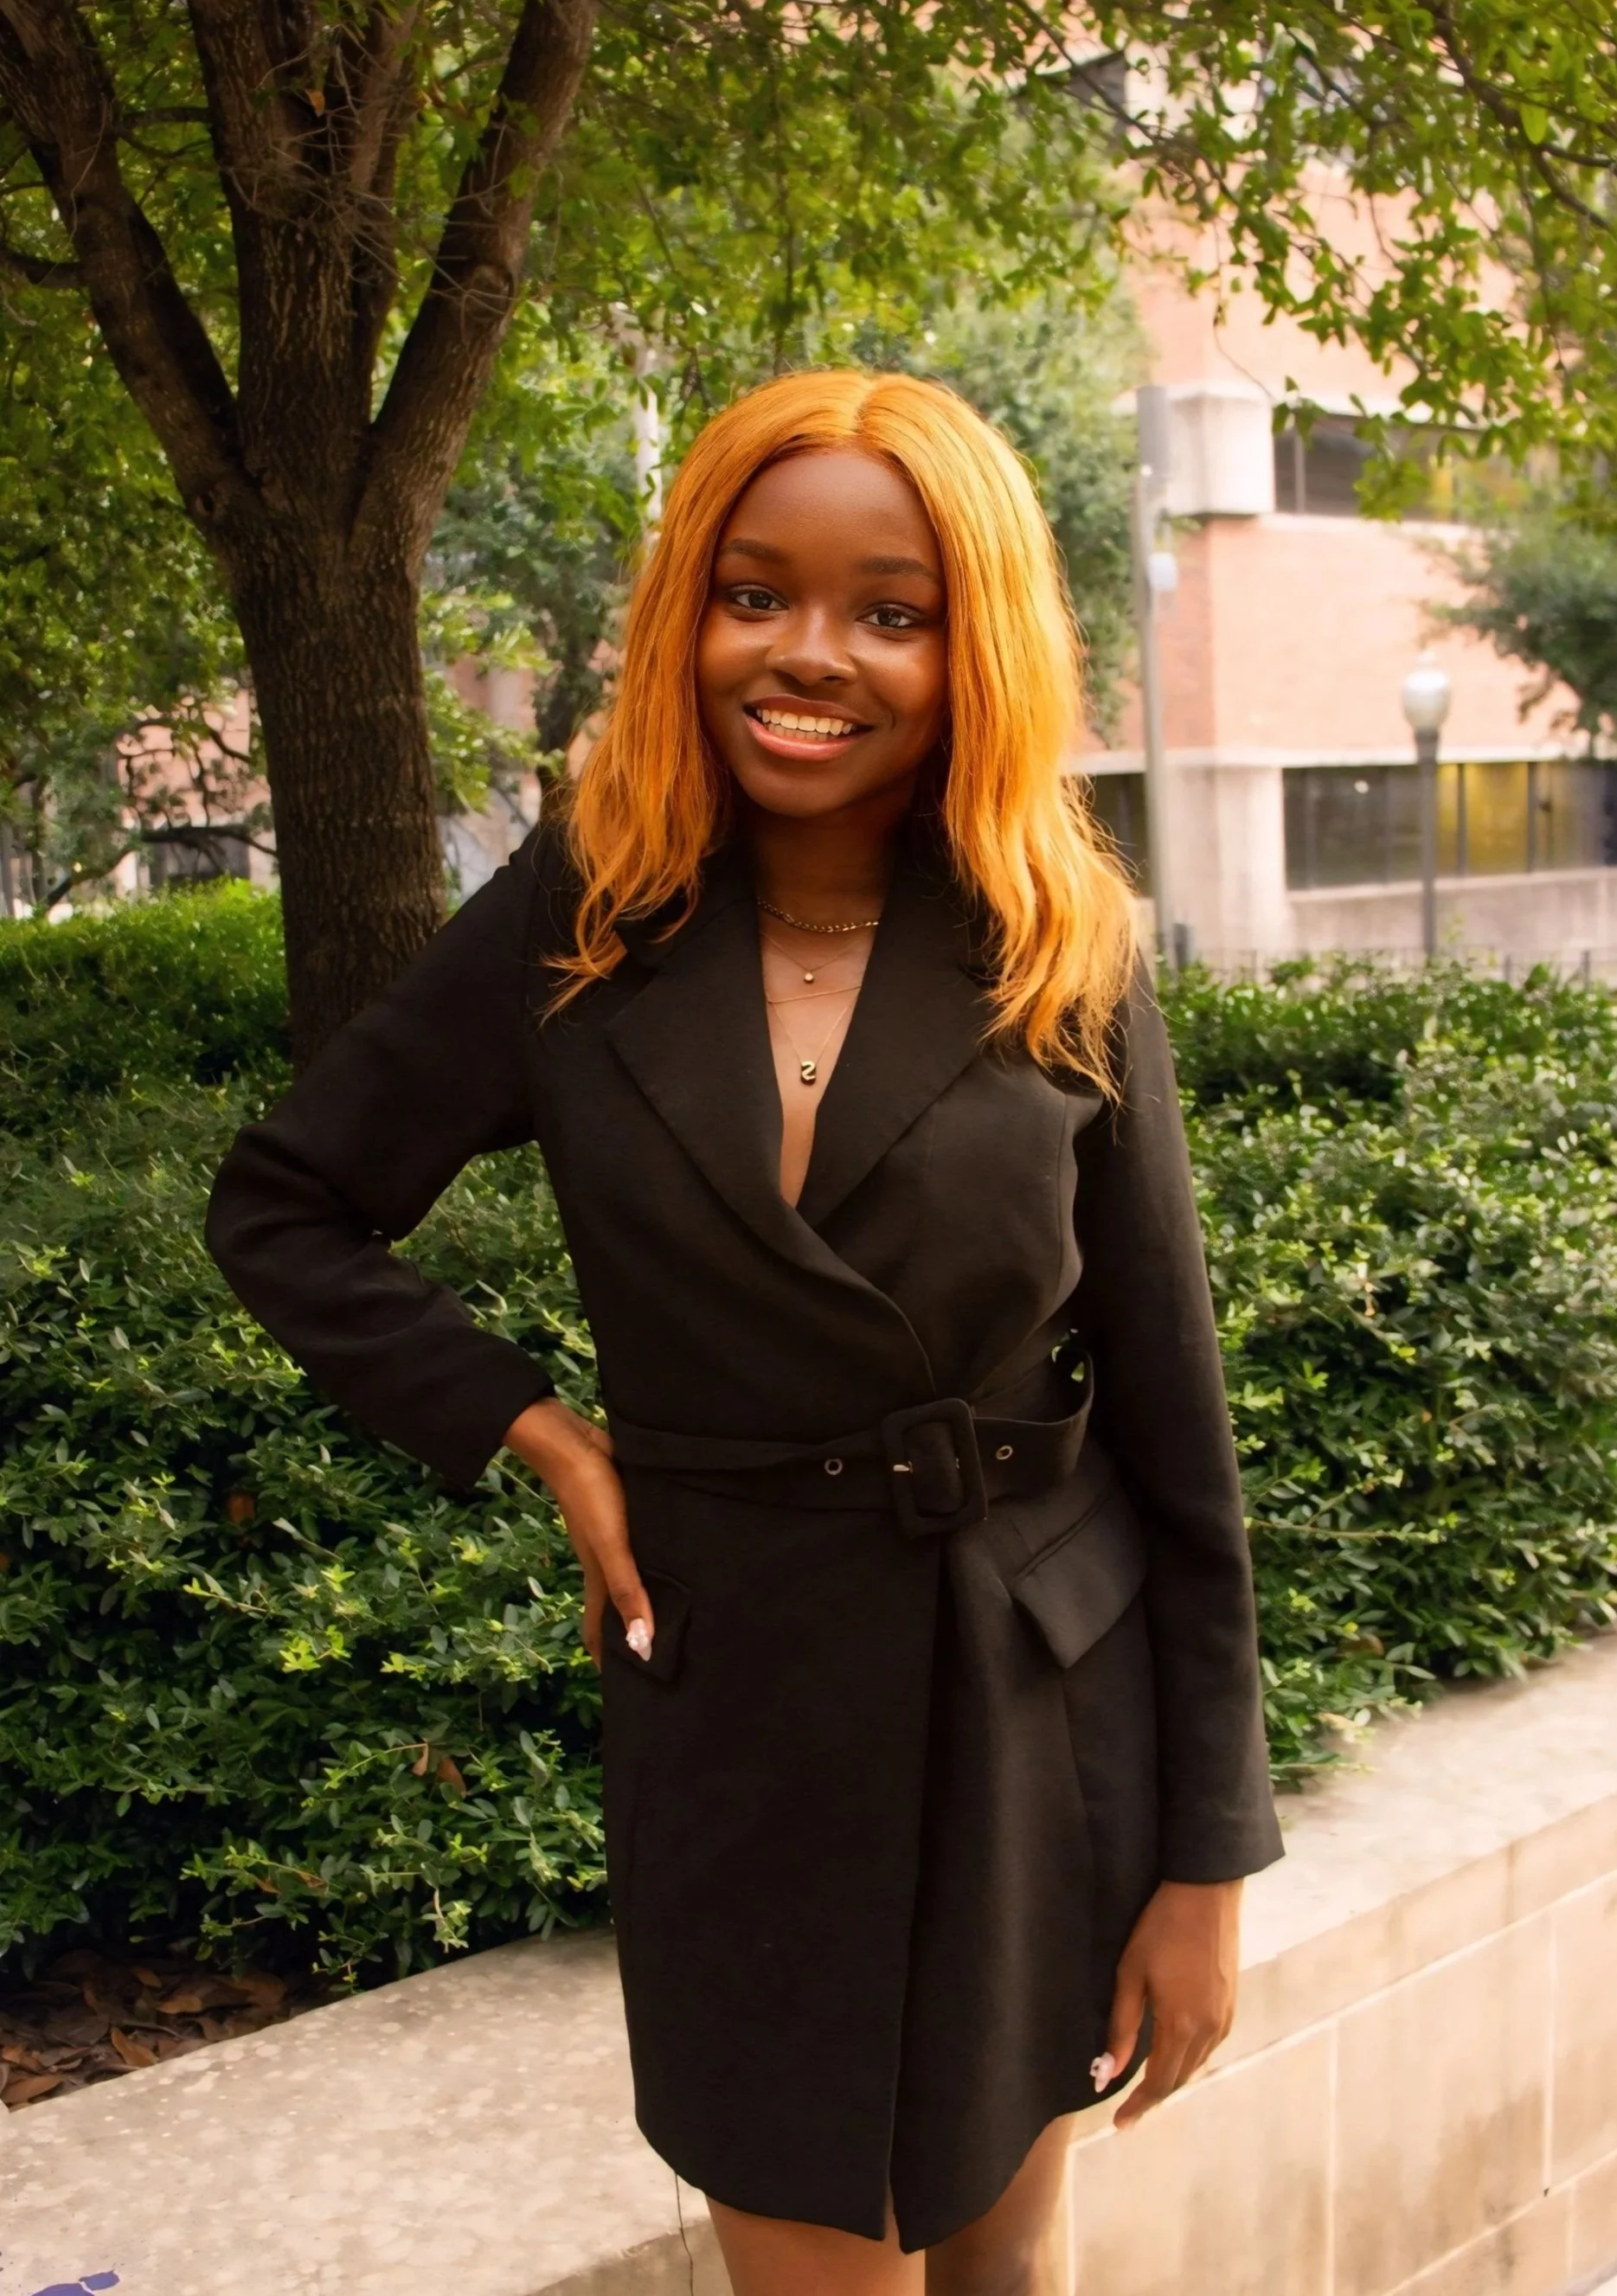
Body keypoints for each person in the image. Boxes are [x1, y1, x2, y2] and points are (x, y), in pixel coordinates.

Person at [207, 369, 1281, 2296]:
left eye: (891, 610)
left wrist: (1203, 1868)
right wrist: (537, 1433)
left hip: (1036, 1704)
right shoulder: (581, 915)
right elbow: (286, 1206)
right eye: (753, 591)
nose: (810, 656)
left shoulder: (1061, 947)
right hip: (742, 1700)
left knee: (999, 2261)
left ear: (977, 650)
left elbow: (1176, 1443)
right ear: (683, 606)